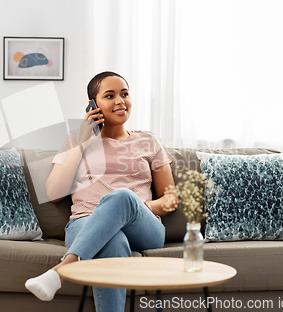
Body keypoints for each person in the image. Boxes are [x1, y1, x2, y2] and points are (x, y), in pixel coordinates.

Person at [25, 71, 178, 312]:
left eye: (124, 94)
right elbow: (54, 193)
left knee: (123, 196)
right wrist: (83, 143)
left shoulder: (148, 141)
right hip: (84, 223)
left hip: (143, 226)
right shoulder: (75, 139)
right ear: (92, 105)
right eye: (110, 96)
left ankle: (61, 271)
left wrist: (137, 208)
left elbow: (171, 199)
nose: (120, 101)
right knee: (113, 241)